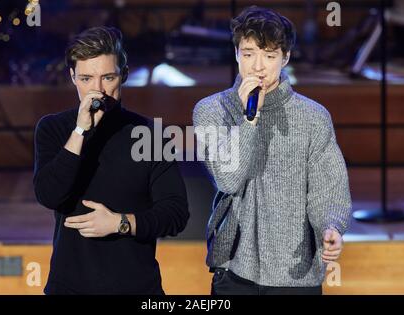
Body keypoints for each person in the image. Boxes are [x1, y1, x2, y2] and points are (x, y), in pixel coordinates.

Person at [193, 6, 352, 295]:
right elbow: (227, 179)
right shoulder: (211, 111)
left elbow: (328, 188)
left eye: (269, 55)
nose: (258, 67)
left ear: (286, 58)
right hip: (235, 267)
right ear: (237, 54)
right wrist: (247, 120)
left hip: (296, 271)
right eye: (249, 53)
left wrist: (331, 227)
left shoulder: (312, 116)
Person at [33, 26, 189, 294]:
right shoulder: (53, 129)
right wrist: (81, 131)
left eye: (107, 78)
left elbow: (175, 213)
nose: (97, 90)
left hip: (136, 288)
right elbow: (50, 195)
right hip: (70, 287)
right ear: (72, 77)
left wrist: (120, 223)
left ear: (124, 75)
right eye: (85, 79)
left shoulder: (149, 134)